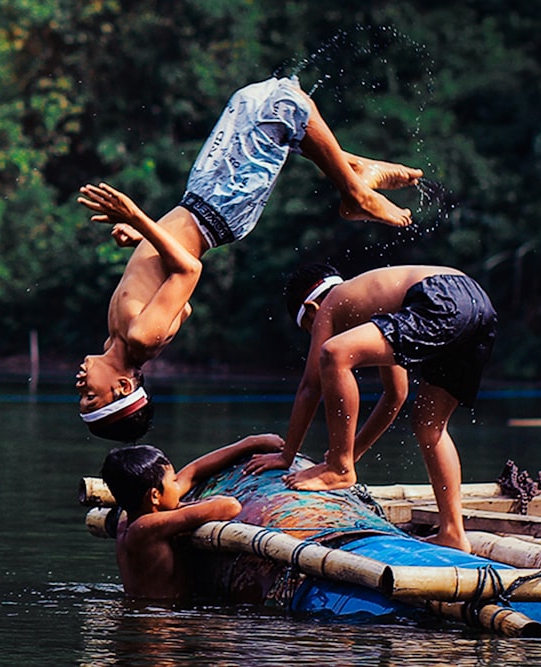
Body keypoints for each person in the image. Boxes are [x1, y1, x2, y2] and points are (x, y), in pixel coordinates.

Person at [77, 76, 424, 441]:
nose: (80, 384)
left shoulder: (115, 339)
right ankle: (355, 192)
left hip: (199, 198)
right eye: (88, 395)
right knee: (284, 103)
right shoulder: (141, 338)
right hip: (220, 209)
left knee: (254, 102)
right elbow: (190, 268)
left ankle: (352, 168)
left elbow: (183, 308)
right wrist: (137, 219)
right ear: (120, 388)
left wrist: (145, 239)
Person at [243, 263, 497, 552]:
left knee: (333, 353)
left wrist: (287, 455)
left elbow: (311, 386)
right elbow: (395, 395)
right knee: (430, 426)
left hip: (441, 296)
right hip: (478, 302)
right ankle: (453, 532)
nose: (316, 337)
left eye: (309, 331)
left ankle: (338, 469)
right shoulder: (375, 302)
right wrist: (354, 451)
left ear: (312, 309)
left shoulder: (333, 302)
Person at [100, 433, 283, 600]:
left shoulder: (126, 520)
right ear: (155, 496)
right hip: (164, 625)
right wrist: (185, 506)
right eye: (172, 481)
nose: (177, 484)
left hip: (149, 616)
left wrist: (250, 443)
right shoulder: (148, 526)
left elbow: (192, 473)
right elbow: (229, 506)